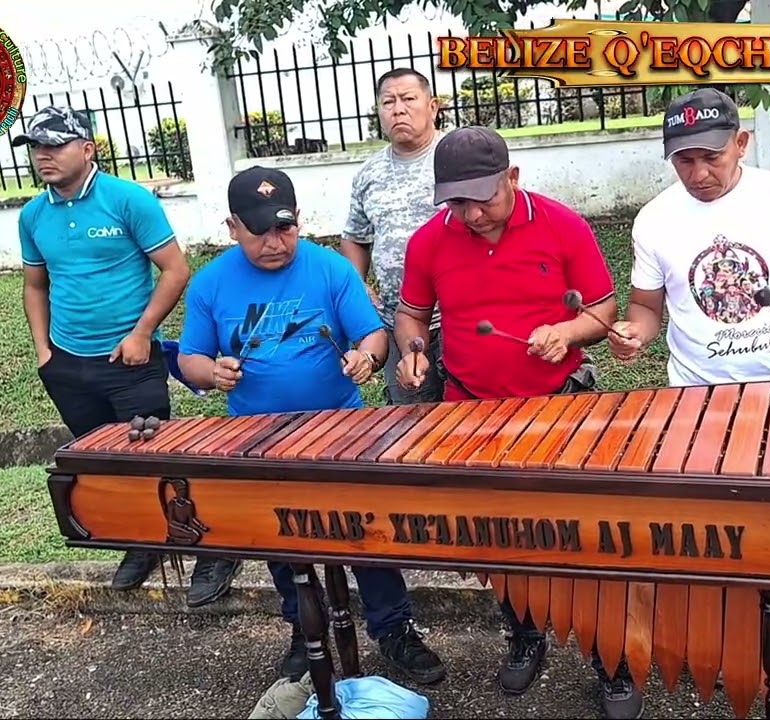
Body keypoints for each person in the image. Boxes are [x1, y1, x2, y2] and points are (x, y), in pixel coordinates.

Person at [391, 126, 640, 720]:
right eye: (457, 201)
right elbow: (410, 314)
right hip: (469, 407)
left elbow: (602, 307)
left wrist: (567, 332)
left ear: (513, 178)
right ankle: (524, 633)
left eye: (484, 198)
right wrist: (412, 349)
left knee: (584, 535)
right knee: (497, 536)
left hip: (561, 403)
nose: (473, 214)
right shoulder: (430, 240)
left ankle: (611, 659)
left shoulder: (562, 225)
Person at [175, 165, 447, 687]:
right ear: (233, 227)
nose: (275, 243)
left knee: (368, 531)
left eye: (285, 228)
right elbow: (189, 359)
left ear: (299, 219)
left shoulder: (330, 269)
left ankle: (393, 628)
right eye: (260, 232)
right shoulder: (211, 282)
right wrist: (212, 371)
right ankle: (305, 629)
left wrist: (365, 359)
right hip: (260, 434)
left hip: (341, 428)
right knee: (279, 537)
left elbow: (373, 336)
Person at [14, 106, 236, 604]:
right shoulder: (33, 214)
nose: (43, 155)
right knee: (102, 464)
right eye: (36, 147)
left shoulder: (128, 200)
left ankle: (209, 548)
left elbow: (176, 270)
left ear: (88, 149)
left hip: (131, 362)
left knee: (157, 460)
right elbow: (35, 285)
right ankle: (141, 544)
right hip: (68, 364)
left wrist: (142, 333)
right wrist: (44, 350)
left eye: (55, 145)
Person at [607, 87, 770, 387]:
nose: (699, 175)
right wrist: (634, 333)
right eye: (684, 161)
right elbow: (645, 306)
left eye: (712, 157)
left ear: (741, 143)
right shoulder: (653, 220)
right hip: (695, 389)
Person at [340, 67, 446, 404]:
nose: (398, 108)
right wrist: (359, 284)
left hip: (458, 316)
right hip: (398, 320)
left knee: (473, 419)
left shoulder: (457, 158)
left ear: (433, 106)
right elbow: (355, 235)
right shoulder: (368, 174)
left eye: (408, 99)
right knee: (413, 420)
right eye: (388, 101)